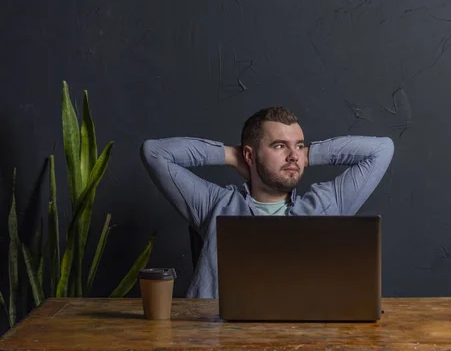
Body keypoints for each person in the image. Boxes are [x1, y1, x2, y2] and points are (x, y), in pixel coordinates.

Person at [140, 106, 395, 298]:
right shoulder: (215, 204)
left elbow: (381, 150)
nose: (293, 155)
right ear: (250, 155)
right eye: (279, 146)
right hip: (219, 340)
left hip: (303, 341)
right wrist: (231, 155)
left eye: (298, 146)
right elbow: (155, 153)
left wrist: (307, 154)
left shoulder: (327, 204)